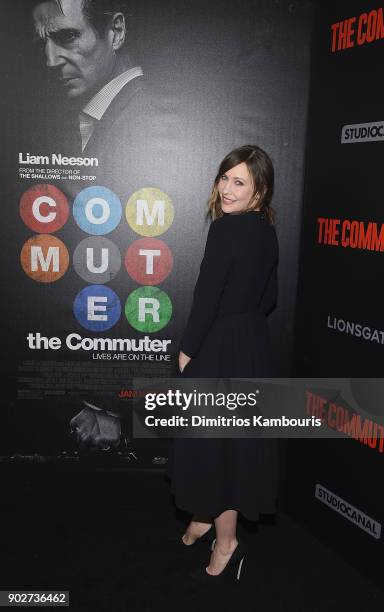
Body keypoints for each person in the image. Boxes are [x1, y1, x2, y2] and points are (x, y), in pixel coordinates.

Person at [171, 144, 279, 582]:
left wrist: (188, 349)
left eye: (240, 182)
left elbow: (206, 299)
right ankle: (204, 515)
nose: (228, 189)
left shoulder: (224, 230)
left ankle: (227, 539)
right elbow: (269, 298)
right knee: (231, 442)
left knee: (215, 445)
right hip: (252, 344)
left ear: (258, 192)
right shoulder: (266, 231)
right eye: (225, 178)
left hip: (218, 345)